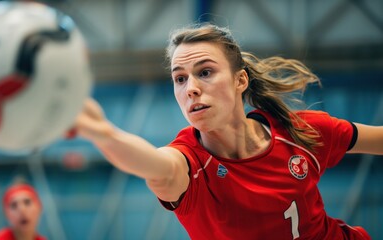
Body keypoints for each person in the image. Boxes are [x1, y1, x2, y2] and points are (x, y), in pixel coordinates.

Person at [72, 23, 382, 239]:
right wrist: (102, 133)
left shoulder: (300, 131)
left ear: (240, 81)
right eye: (179, 79)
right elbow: (155, 166)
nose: (190, 89)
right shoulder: (190, 167)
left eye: (205, 72)